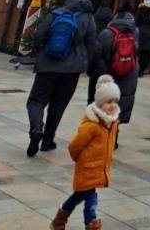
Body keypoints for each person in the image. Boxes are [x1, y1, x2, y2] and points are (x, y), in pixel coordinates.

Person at [26, 0, 97, 157]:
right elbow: (92, 44)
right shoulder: (88, 18)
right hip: (71, 70)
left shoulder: (56, 13)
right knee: (58, 106)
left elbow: (38, 36)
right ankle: (48, 141)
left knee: (36, 100)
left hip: (48, 65)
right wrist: (88, 65)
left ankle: (36, 127)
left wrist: (40, 51)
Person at [49, 75, 120, 230]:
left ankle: (59, 219)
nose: (112, 105)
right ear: (100, 103)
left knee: (79, 195)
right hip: (87, 167)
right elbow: (74, 145)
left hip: (99, 167)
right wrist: (80, 159)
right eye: (109, 102)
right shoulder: (92, 125)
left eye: (115, 101)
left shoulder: (112, 122)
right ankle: (91, 223)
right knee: (91, 198)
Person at [90, 3, 139, 150]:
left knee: (103, 105)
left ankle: (101, 137)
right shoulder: (134, 32)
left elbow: (97, 54)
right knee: (118, 106)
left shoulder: (107, 33)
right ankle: (113, 138)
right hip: (129, 73)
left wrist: (91, 70)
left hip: (107, 73)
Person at [135, 0, 150, 75]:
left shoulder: (140, 10)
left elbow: (136, 21)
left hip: (141, 32)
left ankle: (137, 68)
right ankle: (142, 69)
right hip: (149, 33)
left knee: (139, 51)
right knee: (146, 52)